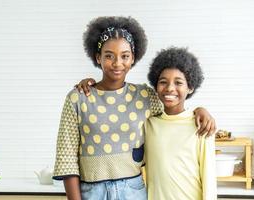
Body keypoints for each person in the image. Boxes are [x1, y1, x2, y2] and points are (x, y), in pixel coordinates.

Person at [53, 16, 216, 200]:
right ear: (97, 57)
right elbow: (66, 159)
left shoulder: (144, 97)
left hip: (133, 191)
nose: (117, 63)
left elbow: (173, 104)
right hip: (91, 192)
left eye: (125, 56)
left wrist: (200, 109)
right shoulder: (77, 98)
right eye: (108, 55)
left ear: (133, 59)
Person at [144, 47, 217, 200]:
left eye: (178, 82)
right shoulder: (148, 124)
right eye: (163, 82)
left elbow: (209, 179)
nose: (170, 88)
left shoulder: (201, 126)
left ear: (190, 87)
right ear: (156, 86)